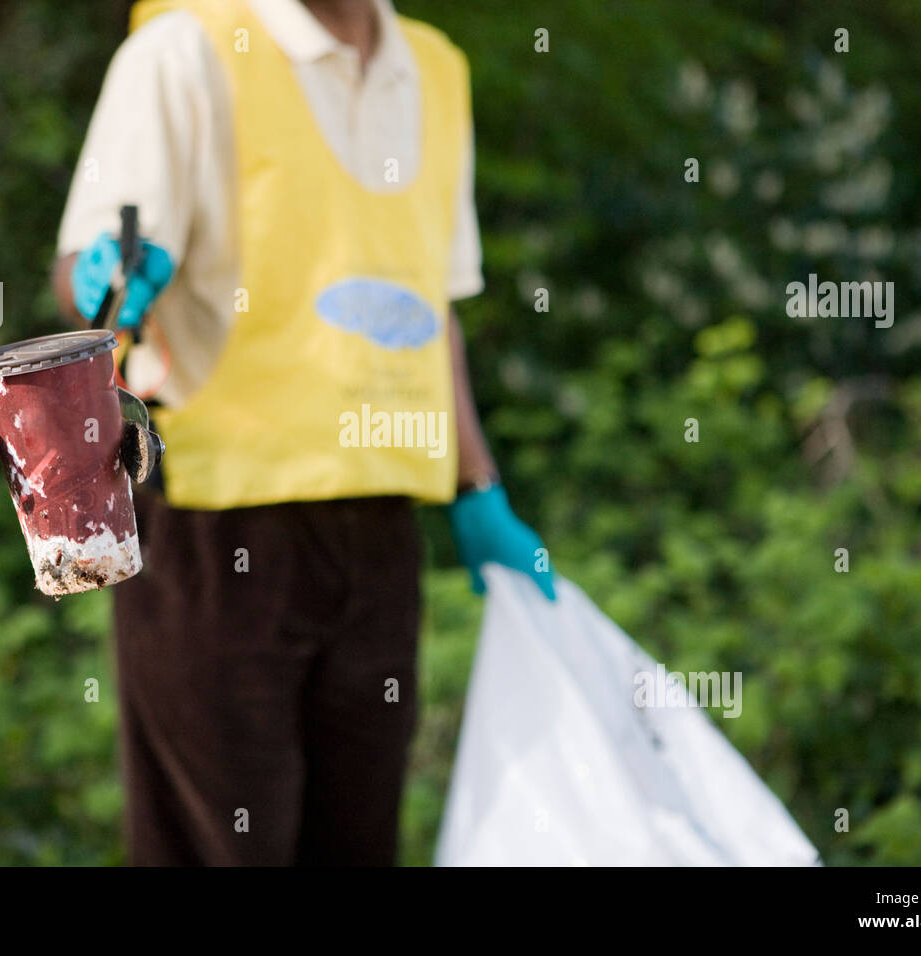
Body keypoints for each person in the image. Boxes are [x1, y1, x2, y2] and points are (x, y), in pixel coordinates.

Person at [51, 0, 554, 866]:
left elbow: (434, 309)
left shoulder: (435, 69)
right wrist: (100, 274)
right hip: (216, 532)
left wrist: (480, 490)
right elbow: (80, 271)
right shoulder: (185, 49)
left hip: (382, 536)